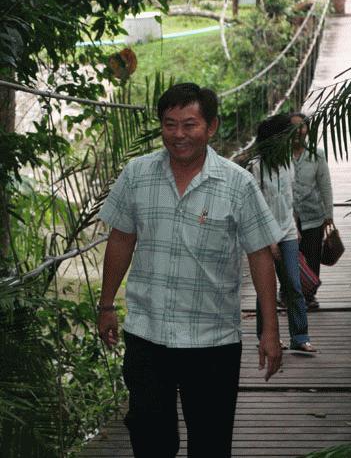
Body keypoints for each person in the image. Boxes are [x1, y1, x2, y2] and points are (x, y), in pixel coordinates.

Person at [97, 82, 283, 458]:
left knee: (211, 444)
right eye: (170, 124)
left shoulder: (238, 184)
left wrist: (270, 331)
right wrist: (105, 306)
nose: (178, 135)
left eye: (189, 124)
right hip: (148, 333)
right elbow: (120, 240)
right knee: (150, 439)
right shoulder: (137, 174)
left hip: (212, 339)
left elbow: (261, 255)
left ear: (211, 127)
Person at [250, 114, 316, 353]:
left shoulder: (289, 161)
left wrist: (295, 226)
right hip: (263, 237)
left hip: (287, 231)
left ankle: (300, 337)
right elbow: (256, 207)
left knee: (293, 285)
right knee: (264, 288)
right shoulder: (256, 166)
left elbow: (290, 199)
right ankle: (265, 336)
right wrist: (268, 241)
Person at [290, 112, 333, 309]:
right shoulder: (281, 156)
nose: (298, 131)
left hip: (313, 214)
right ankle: (289, 292)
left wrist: (329, 215)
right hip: (288, 216)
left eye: (302, 126)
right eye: (294, 127)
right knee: (289, 256)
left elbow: (325, 185)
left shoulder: (317, 154)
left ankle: (309, 295)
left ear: (307, 129)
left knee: (312, 255)